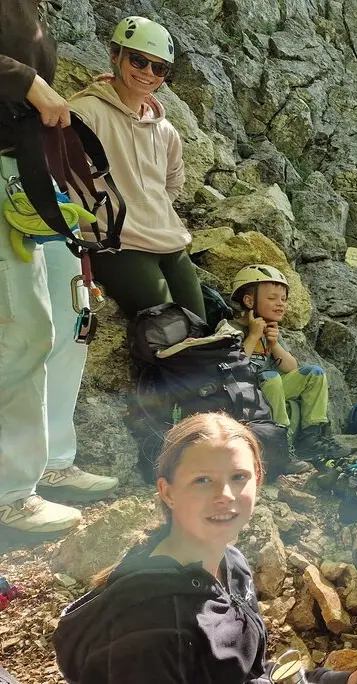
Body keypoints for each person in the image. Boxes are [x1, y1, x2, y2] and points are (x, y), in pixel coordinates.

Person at [52, 412, 357, 683]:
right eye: (202, 480)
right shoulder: (150, 629)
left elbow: (247, 674)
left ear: (258, 479)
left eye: (238, 477)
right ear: (167, 492)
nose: (225, 496)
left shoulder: (231, 562)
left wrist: (339, 680)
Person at [0, 0, 120, 541]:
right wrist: (26, 80)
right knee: (23, 331)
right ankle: (10, 492)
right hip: (7, 170)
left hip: (28, 170)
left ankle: (50, 461)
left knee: (72, 320)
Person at [69, 16, 204, 319]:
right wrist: (101, 219)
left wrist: (150, 208)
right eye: (139, 61)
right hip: (117, 244)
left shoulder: (165, 130)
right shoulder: (84, 114)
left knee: (200, 328)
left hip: (169, 241)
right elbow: (64, 179)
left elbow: (173, 181)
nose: (148, 73)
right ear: (115, 55)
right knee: (169, 329)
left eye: (159, 68)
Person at [228, 265, 339, 463]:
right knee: (271, 377)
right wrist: (253, 336)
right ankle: (281, 443)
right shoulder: (230, 328)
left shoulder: (271, 330)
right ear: (249, 301)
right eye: (272, 298)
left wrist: (274, 344)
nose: (280, 304)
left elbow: (290, 368)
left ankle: (311, 438)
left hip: (272, 389)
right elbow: (232, 366)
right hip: (244, 392)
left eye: (283, 299)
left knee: (314, 373)